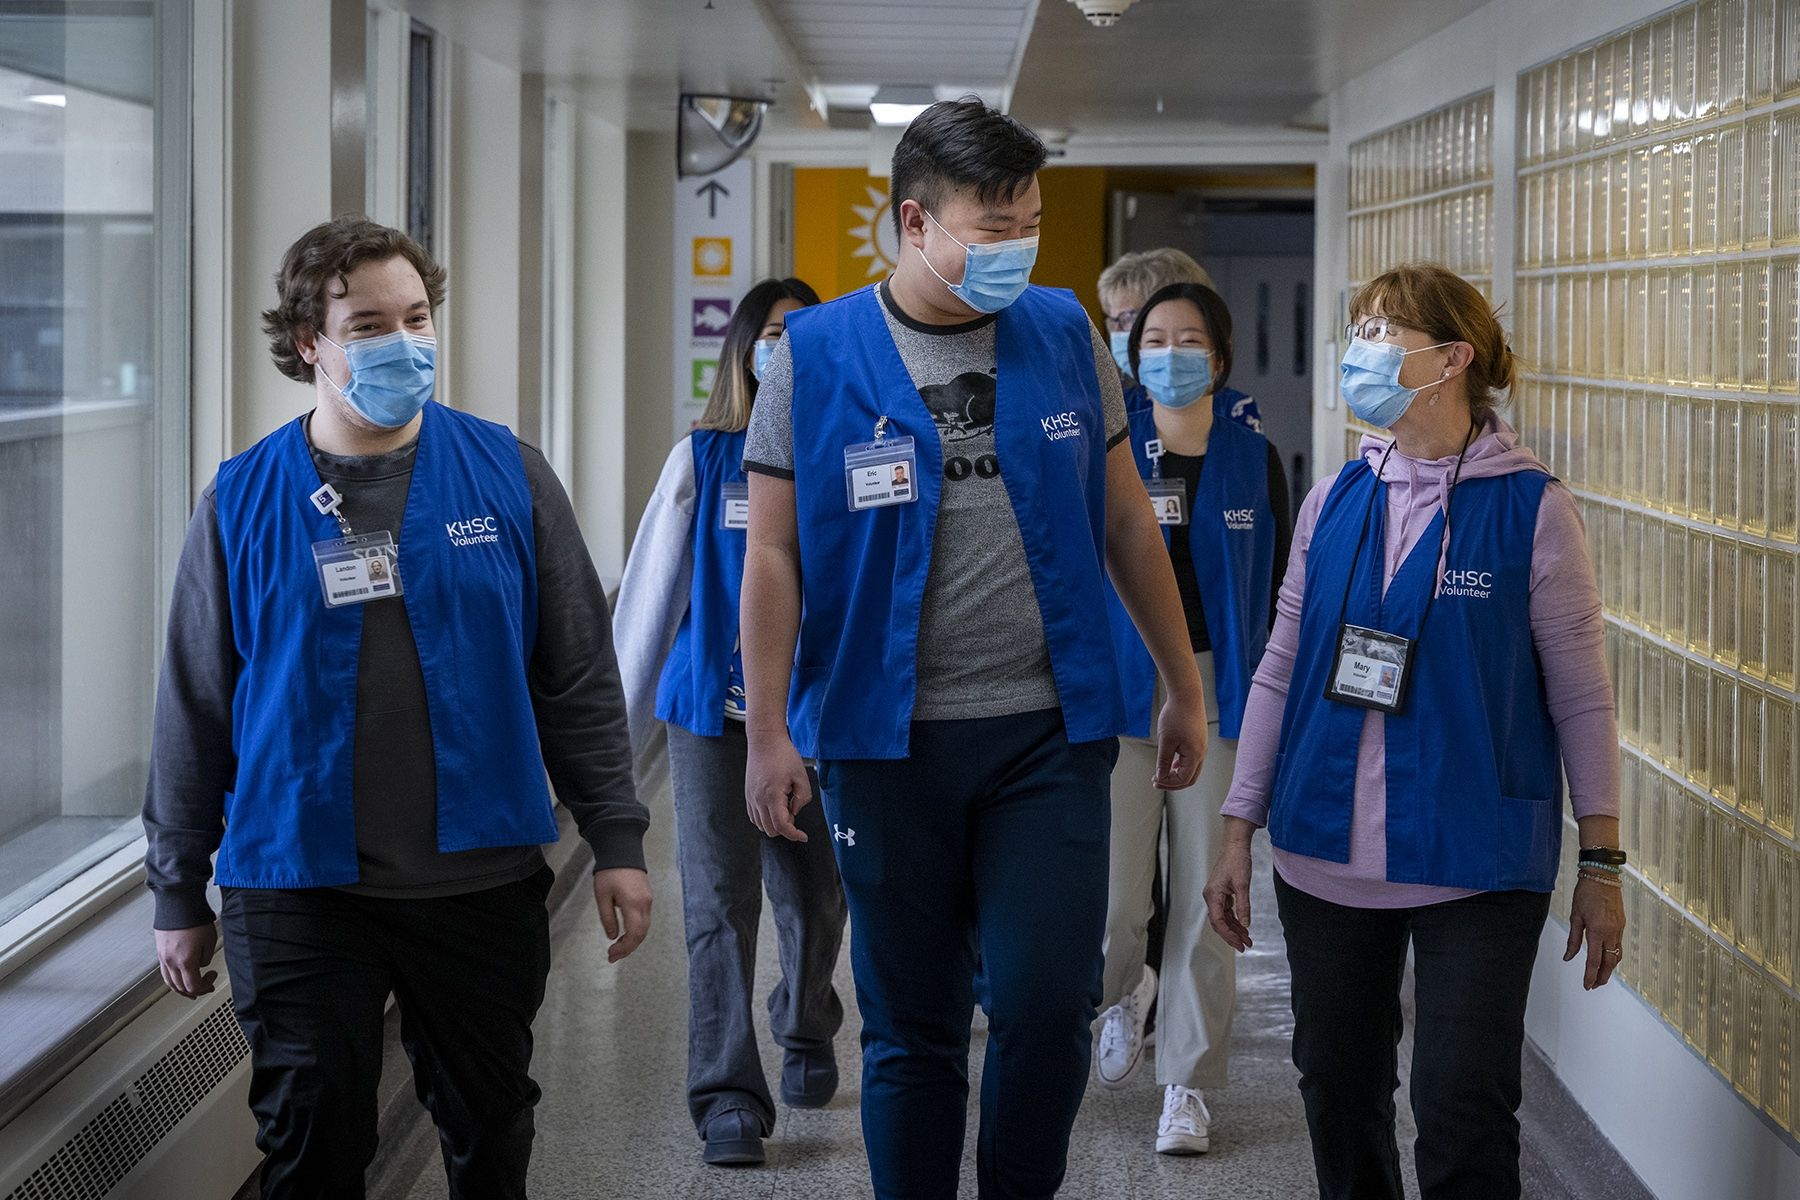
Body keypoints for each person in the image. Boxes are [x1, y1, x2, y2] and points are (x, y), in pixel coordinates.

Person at [739, 98, 1210, 1199]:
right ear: (915, 221)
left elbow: (1126, 519)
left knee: (1047, 1004)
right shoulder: (813, 356)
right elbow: (772, 555)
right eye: (993, 228)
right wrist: (766, 732)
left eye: (1029, 224)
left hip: (1046, 734)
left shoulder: (1063, 332)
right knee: (913, 1025)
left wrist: (1181, 685)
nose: (1018, 248)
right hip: (885, 742)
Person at [142, 216, 652, 1200]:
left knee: (489, 1126)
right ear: (310, 343)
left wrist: (617, 838)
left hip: (477, 878)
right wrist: (176, 886)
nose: (404, 342)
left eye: (416, 318)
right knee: (311, 1137)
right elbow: (195, 703)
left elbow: (578, 675)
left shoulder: (507, 473)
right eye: (369, 326)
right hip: (296, 882)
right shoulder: (242, 498)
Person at [1204, 262, 1626, 1200]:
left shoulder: (1533, 509)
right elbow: (1279, 667)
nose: (1359, 351)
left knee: (1464, 1105)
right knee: (1338, 1092)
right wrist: (1237, 829)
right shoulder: (1334, 500)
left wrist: (1602, 863)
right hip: (1324, 852)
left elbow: (1582, 697)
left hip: (1474, 856)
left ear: (1452, 360)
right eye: (1358, 330)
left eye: (1381, 333)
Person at [613, 276, 847, 1168]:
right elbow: (649, 599)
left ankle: (806, 1017)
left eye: (800, 332)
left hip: (816, 716)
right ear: (743, 351)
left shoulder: (850, 450)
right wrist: (611, 750)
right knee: (718, 903)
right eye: (770, 334)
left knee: (818, 896)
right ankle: (727, 1098)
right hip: (713, 713)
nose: (783, 348)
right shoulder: (702, 459)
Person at [1093, 282, 1291, 1156]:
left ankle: (1186, 1085)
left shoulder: (1255, 459)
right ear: (1132, 356)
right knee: (1113, 901)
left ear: (1220, 355)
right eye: (1154, 339)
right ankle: (1122, 992)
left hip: (1218, 691)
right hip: (1122, 686)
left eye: (1189, 339)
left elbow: (1280, 594)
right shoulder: (1109, 448)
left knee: (1211, 897)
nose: (1171, 354)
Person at [1097, 249, 1264, 434]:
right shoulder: (1115, 411)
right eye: (1114, 320)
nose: (1117, 332)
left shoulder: (1235, 410)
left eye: (1127, 318)